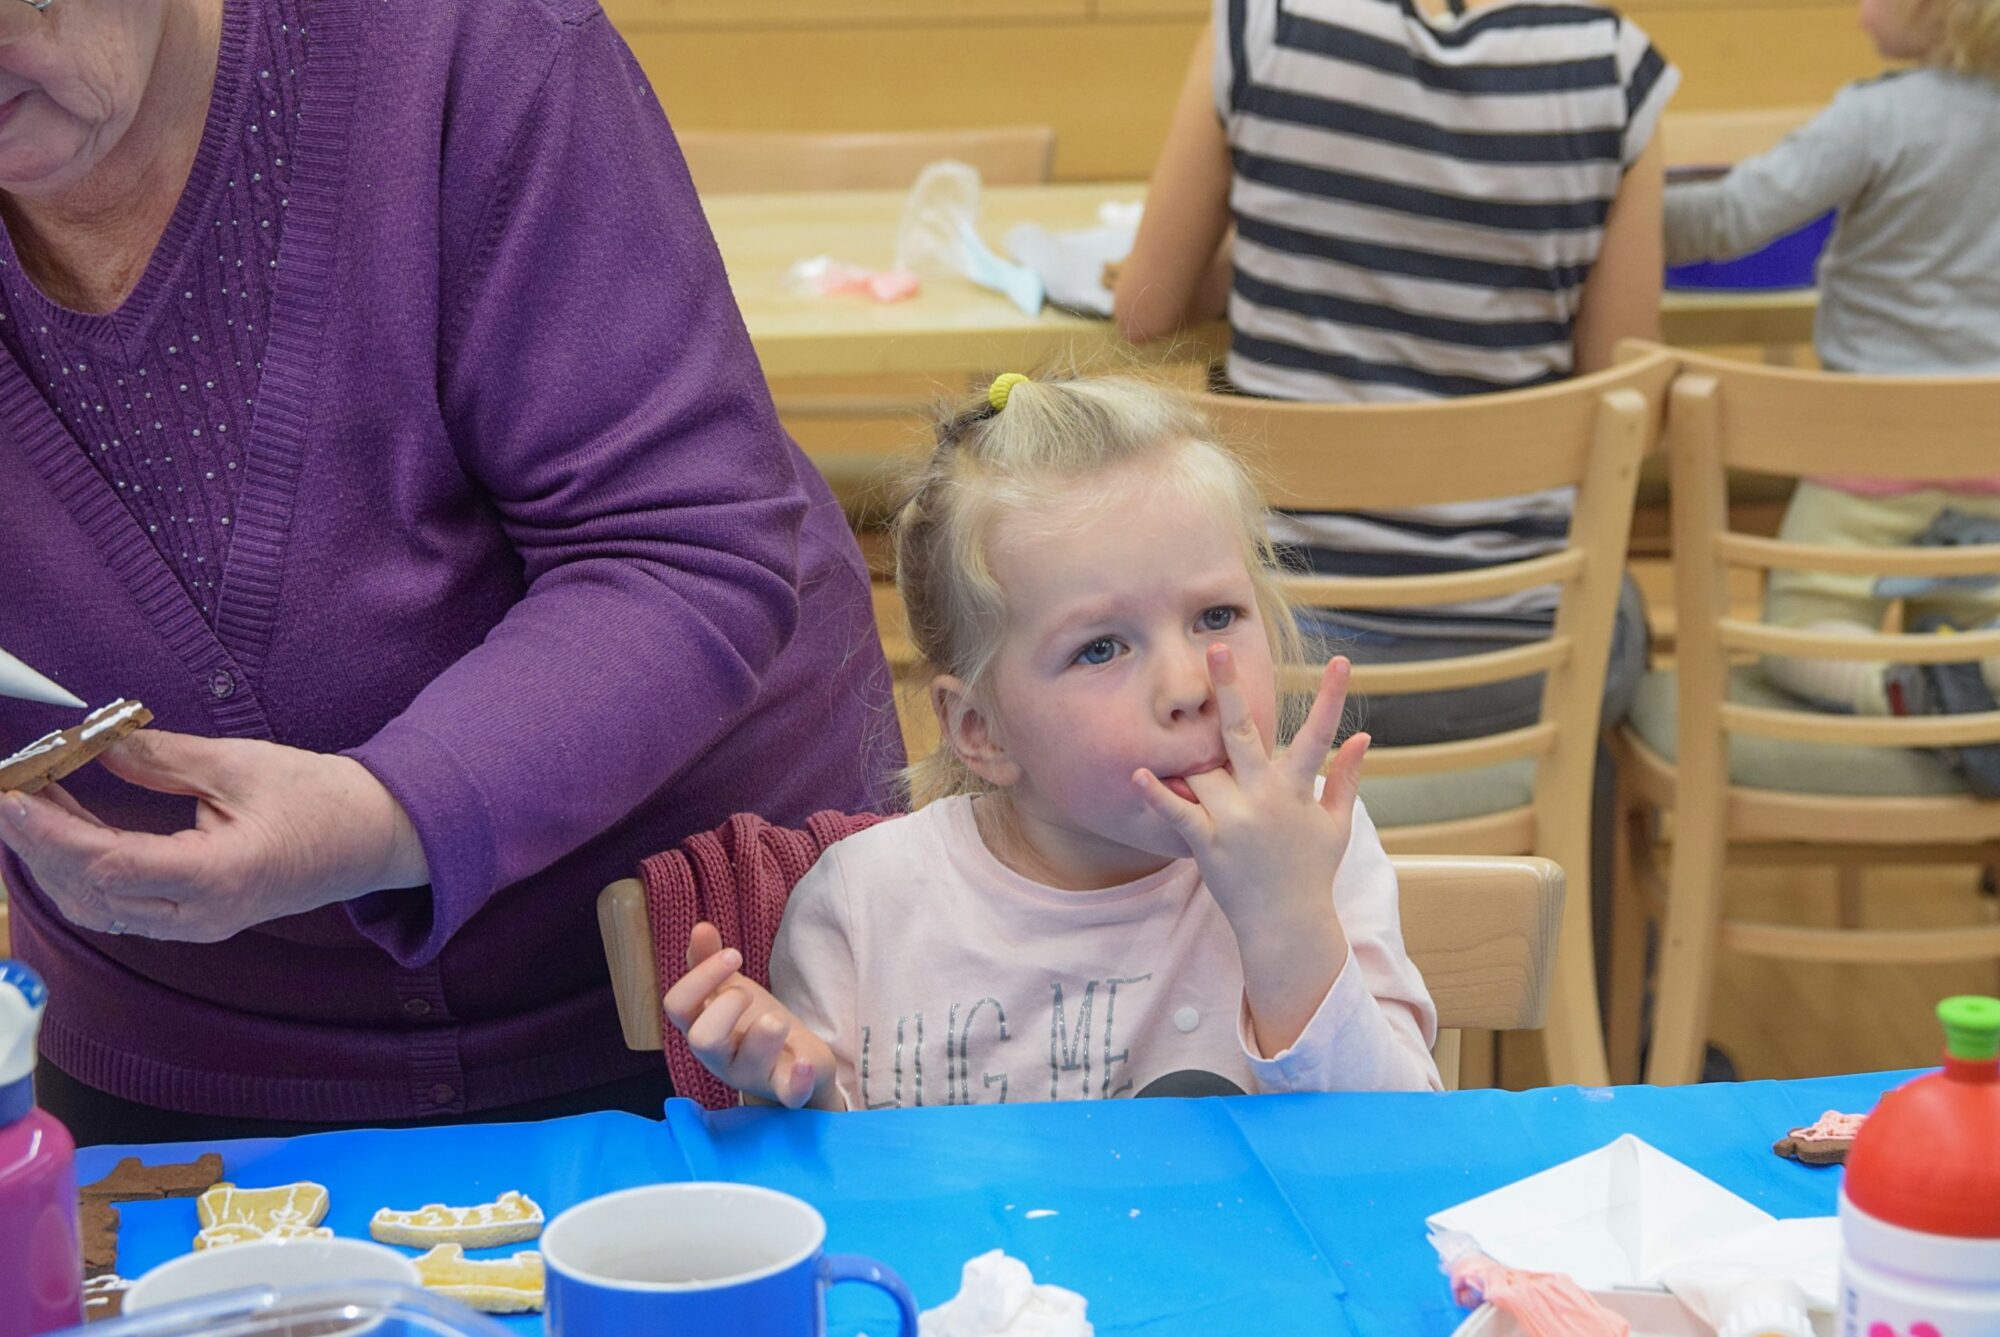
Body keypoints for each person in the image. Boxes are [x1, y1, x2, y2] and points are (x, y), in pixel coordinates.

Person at [0, 0, 899, 1144]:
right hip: (181, 1035)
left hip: (703, 1002)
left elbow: (679, 549)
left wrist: (380, 817)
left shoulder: (464, 51)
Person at [665, 374, 1441, 1110]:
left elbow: (1400, 1154)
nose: (1187, 686)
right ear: (982, 729)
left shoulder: (1316, 846)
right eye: (1101, 648)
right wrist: (793, 1095)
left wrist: (1290, 921)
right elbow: (841, 1177)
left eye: (1216, 616)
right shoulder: (865, 909)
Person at [1111, 0, 1677, 749]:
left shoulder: (1264, 27)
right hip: (1524, 668)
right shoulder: (1610, 67)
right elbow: (1621, 386)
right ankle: (1556, 818)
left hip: (1280, 665)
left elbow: (1145, 310)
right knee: (1620, 612)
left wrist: (1270, 253)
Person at [1664, 0, 2000, 785]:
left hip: (1867, 468)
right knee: (1985, 637)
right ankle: (1974, 691)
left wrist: (1589, 206)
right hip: (1992, 466)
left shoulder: (1880, 117)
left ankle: (1899, 693)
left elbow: (1728, 221)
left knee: (1798, 638)